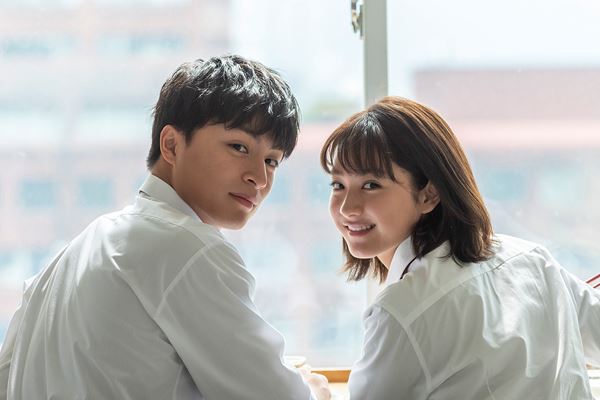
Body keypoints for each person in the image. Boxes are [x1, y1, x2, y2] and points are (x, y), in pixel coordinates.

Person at [0, 55, 330, 400]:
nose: (259, 178)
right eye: (238, 147)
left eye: (271, 161)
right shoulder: (188, 248)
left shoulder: (73, 253)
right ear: (171, 144)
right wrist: (314, 390)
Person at [320, 96, 600, 399]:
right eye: (338, 185)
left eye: (371, 185)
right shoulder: (532, 259)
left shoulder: (402, 314)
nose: (347, 207)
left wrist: (317, 394)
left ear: (429, 194)